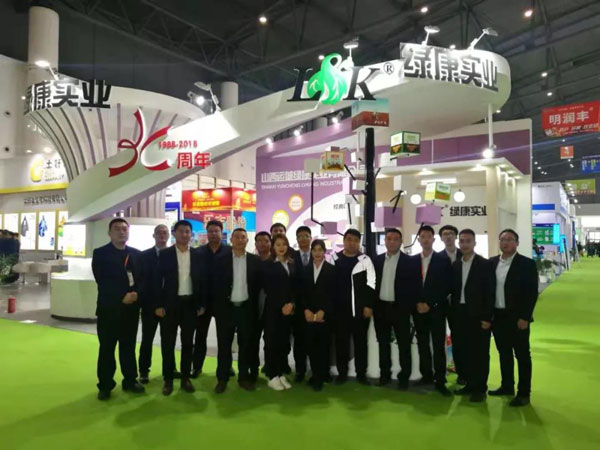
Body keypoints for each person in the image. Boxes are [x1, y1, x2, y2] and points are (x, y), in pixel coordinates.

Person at [91, 218, 145, 400]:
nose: (121, 232)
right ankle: (105, 384)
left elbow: (142, 279)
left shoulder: (136, 254)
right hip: (109, 309)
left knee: (128, 347)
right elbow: (102, 281)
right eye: (117, 229)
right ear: (109, 233)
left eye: (124, 229)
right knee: (107, 348)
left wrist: (136, 293)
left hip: (131, 310)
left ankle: (130, 380)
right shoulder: (100, 254)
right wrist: (122, 296)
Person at [155, 220, 206, 396]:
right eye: (181, 231)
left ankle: (185, 378)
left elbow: (202, 282)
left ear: (191, 234)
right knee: (167, 343)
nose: (184, 234)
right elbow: (157, 281)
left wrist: (201, 304)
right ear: (174, 233)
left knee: (188, 343)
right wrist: (158, 305)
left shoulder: (198, 254)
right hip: (170, 304)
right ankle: (168, 379)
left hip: (190, 304)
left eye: (187, 231)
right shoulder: (165, 254)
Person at [489, 229, 538, 407]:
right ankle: (507, 385)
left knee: (522, 355)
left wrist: (525, 316)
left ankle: (524, 393)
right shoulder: (492, 263)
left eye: (510, 239)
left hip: (518, 318)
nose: (505, 242)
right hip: (498, 316)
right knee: (504, 354)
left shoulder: (526, 264)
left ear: (517, 243)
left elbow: (531, 293)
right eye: (502, 239)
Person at [212, 228, 261, 393]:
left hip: (246, 309)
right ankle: (222, 378)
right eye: (237, 237)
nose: (240, 240)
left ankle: (243, 377)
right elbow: (214, 285)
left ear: (247, 240)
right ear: (231, 240)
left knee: (245, 345)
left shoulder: (255, 261)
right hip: (226, 310)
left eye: (243, 237)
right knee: (224, 345)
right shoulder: (220, 260)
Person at [373, 228, 421, 389]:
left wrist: (409, 308)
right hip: (381, 308)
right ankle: (384, 374)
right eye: (389, 239)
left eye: (395, 239)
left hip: (400, 309)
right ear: (385, 241)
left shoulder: (411, 261)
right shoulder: (376, 260)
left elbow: (415, 287)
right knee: (383, 344)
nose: (392, 242)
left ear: (401, 242)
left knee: (404, 344)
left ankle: (404, 377)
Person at [450, 229, 494, 403]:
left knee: (480, 353)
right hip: (459, 314)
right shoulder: (456, 265)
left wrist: (487, 318)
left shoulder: (485, 264)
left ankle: (480, 388)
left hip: (478, 315)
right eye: (462, 241)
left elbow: (490, 292)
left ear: (474, 243)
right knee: (462, 351)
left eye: (468, 241)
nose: (464, 244)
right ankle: (468, 383)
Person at [331, 229, 376, 385]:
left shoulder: (365, 260)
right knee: (341, 343)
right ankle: (342, 373)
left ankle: (361, 374)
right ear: (344, 241)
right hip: (340, 311)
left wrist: (368, 305)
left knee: (361, 343)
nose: (352, 243)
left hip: (360, 310)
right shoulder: (334, 258)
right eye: (349, 239)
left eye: (355, 240)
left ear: (359, 243)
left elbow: (372, 283)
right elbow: (328, 283)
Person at [413, 225, 453, 396]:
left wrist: (430, 303)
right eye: (422, 236)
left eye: (429, 236)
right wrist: (417, 303)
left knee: (438, 346)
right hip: (418, 310)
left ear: (433, 239)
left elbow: (447, 286)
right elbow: (410, 285)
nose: (426, 239)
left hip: (436, 310)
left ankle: (440, 379)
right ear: (419, 239)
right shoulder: (413, 260)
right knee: (422, 344)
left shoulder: (443, 260)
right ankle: (426, 375)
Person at [193, 220, 231, 378]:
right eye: (211, 231)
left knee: (224, 337)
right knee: (200, 336)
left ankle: (226, 367)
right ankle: (196, 367)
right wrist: (197, 302)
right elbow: (194, 278)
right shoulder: (198, 252)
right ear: (206, 233)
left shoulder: (230, 252)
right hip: (204, 302)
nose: (213, 234)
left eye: (216, 231)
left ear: (221, 233)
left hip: (224, 302)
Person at [262, 234, 297, 390]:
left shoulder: (291, 263)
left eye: (284, 244)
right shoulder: (268, 265)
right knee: (272, 343)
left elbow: (296, 287)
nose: (281, 247)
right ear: (273, 247)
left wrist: (292, 304)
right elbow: (269, 290)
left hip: (289, 310)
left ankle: (280, 372)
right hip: (273, 310)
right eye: (278, 245)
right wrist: (282, 305)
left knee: (283, 343)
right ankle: (272, 375)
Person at [300, 239, 335, 391]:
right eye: (314, 250)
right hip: (309, 315)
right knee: (311, 346)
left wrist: (323, 311)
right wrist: (306, 310)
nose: (317, 253)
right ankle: (315, 374)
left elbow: (334, 294)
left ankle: (321, 376)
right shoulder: (305, 270)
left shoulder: (331, 270)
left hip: (324, 315)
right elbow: (302, 293)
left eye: (320, 250)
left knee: (324, 346)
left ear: (325, 251)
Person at [138, 224, 171, 384]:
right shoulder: (144, 256)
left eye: (165, 233)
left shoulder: (174, 255)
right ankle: (144, 370)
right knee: (147, 340)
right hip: (149, 306)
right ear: (154, 235)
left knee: (168, 340)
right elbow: (142, 281)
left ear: (169, 235)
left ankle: (169, 370)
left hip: (169, 306)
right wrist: (153, 305)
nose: (162, 235)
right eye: (159, 233)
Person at [289, 225, 312, 382]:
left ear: (311, 238)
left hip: (314, 306)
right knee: (299, 341)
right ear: (296, 239)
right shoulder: (291, 257)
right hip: (297, 307)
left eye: (306, 236)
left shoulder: (318, 255)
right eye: (300, 236)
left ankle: (315, 371)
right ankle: (300, 371)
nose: (303, 239)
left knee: (314, 339)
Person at [250, 231, 272, 380]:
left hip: (272, 307)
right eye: (259, 241)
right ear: (255, 243)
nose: (262, 243)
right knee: (253, 340)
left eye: (266, 241)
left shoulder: (276, 261)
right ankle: (253, 369)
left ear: (270, 243)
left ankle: (270, 367)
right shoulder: (251, 261)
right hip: (253, 307)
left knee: (270, 340)